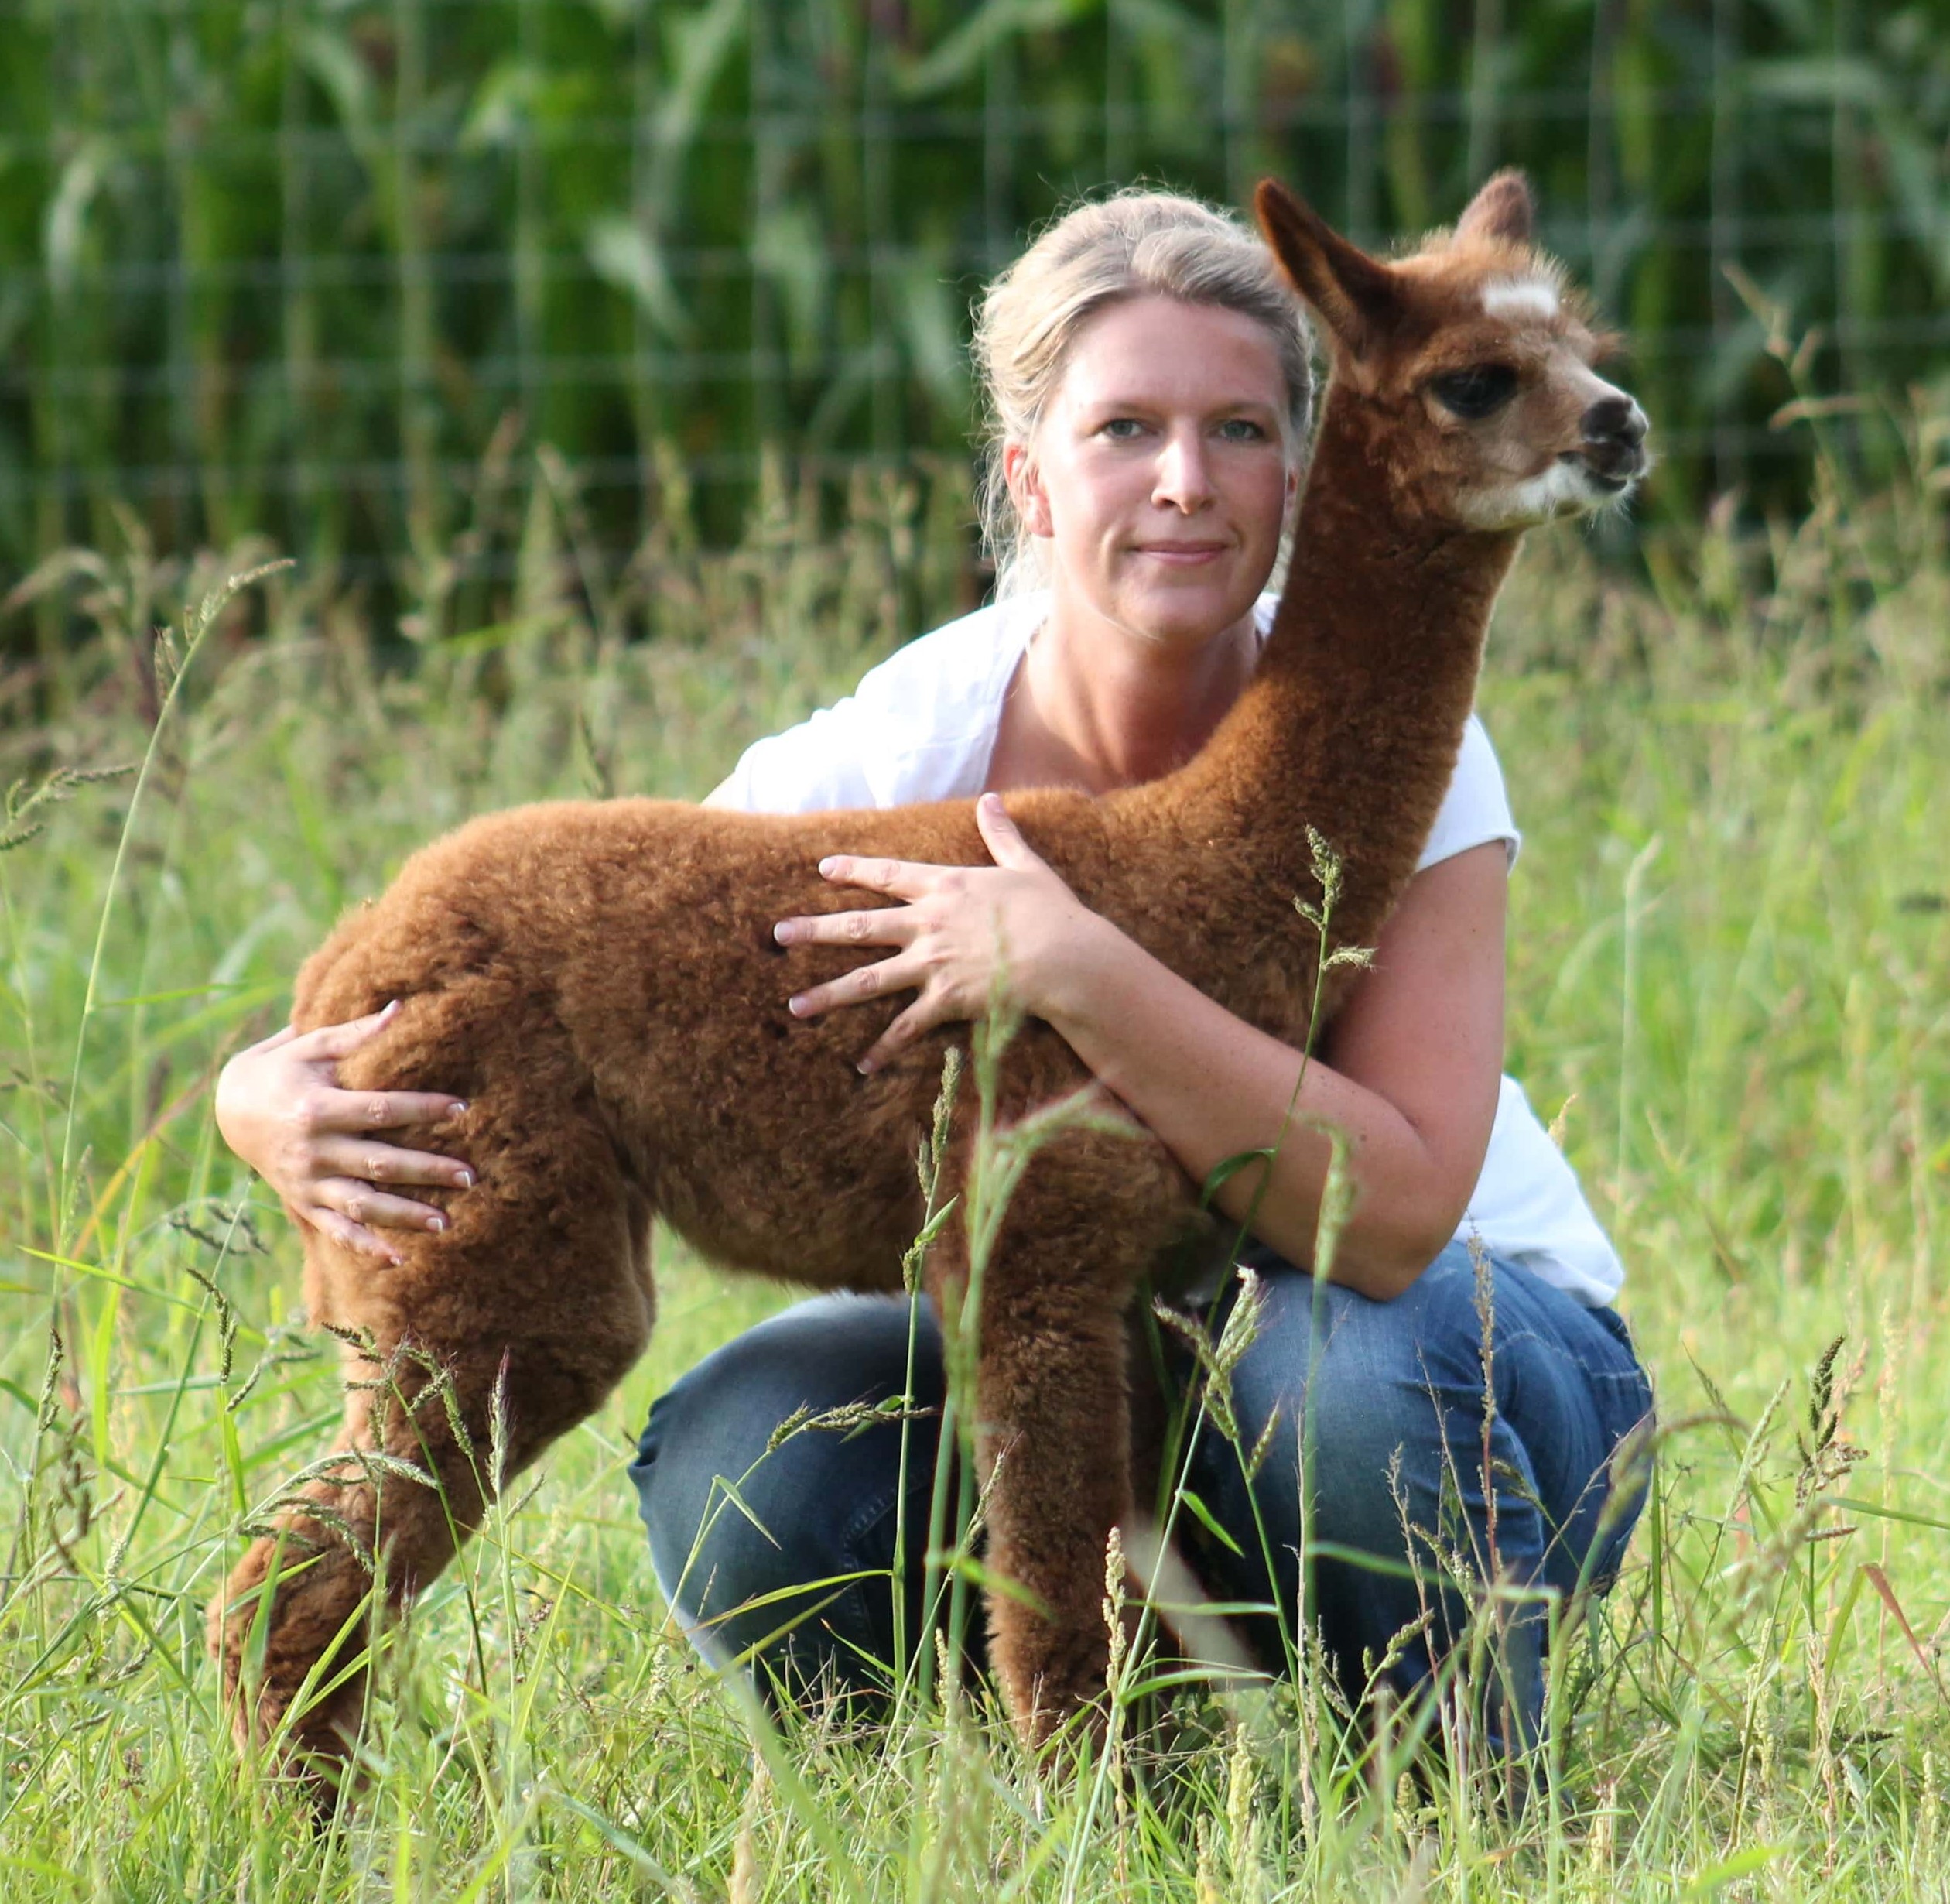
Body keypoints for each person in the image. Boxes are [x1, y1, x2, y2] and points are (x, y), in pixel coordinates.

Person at [216, 190, 1652, 1756]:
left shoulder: (1398, 761)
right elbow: (610, 932)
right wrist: (262, 1091)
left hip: (1462, 1367)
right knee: (725, 1436)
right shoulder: (925, 731)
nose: (1185, 479)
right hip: (1151, 1353)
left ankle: (1459, 1777)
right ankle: (1091, 1761)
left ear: (1309, 461)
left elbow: (1389, 1225)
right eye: (1126, 430)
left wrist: (1075, 967)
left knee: (1334, 1370)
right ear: (1034, 475)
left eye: (1237, 428)